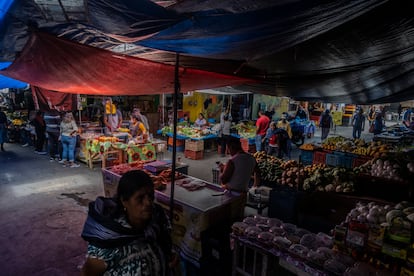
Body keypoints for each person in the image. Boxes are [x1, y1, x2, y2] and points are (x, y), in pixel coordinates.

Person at [80, 170, 176, 276]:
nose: (148, 202)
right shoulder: (109, 240)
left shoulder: (157, 219)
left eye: (150, 196)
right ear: (124, 201)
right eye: (140, 198)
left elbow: (166, 246)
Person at [219, 138, 260, 218]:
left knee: (227, 219)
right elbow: (258, 172)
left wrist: (222, 170)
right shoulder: (251, 158)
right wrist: (255, 186)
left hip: (230, 195)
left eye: (228, 149)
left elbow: (223, 180)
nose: (228, 152)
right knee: (239, 217)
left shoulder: (232, 161)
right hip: (243, 195)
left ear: (231, 147)